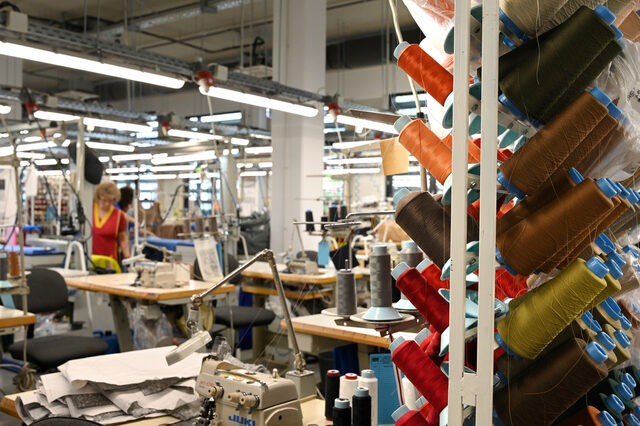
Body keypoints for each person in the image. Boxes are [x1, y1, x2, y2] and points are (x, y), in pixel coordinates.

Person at [92, 182, 130, 263]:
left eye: (110, 201)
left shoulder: (119, 215)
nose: (107, 204)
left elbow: (122, 238)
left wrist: (127, 257)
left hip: (110, 260)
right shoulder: (89, 210)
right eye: (104, 200)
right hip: (90, 259)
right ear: (98, 197)